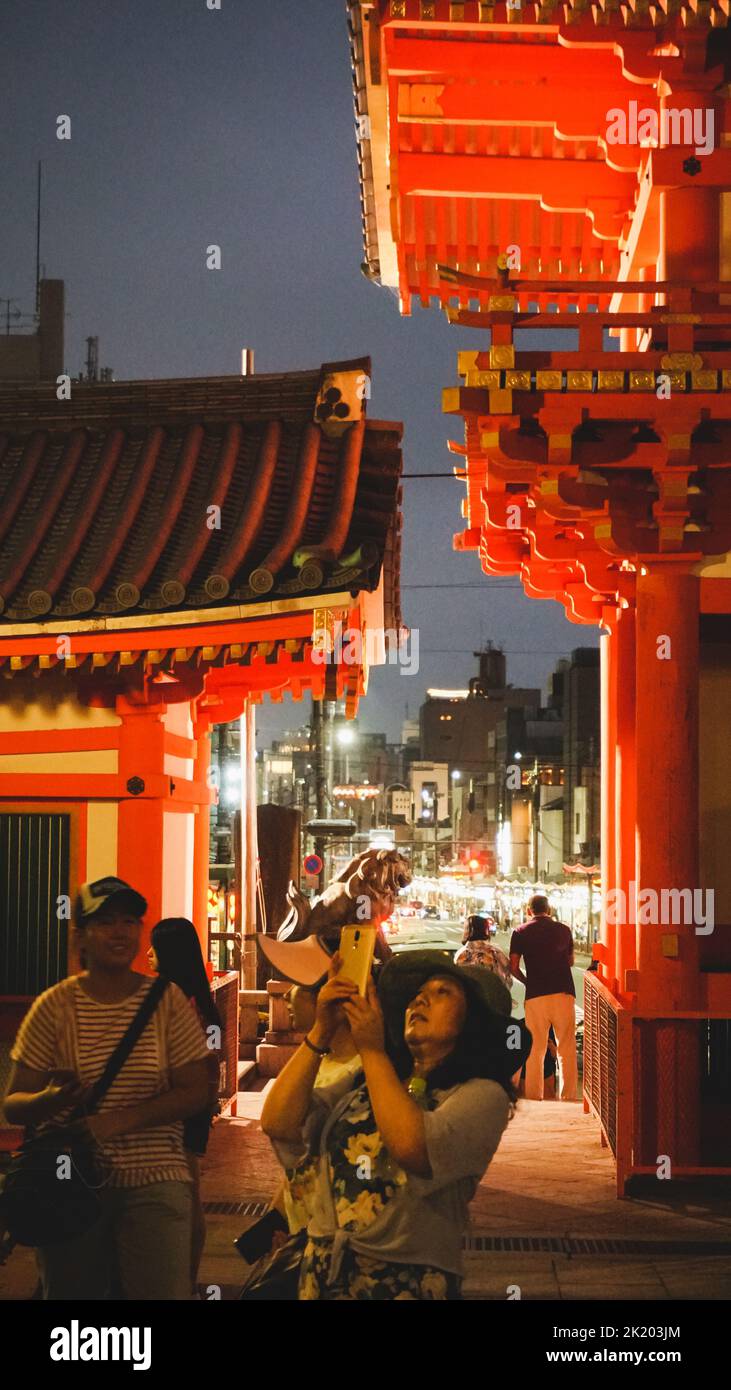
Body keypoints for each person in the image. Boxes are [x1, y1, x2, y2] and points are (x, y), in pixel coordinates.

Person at [261, 949, 530, 1300]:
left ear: (471, 1020)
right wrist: (321, 1030)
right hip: (323, 1275)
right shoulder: (368, 1080)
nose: (420, 998)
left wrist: (372, 1051)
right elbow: (279, 1122)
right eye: (418, 993)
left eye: (442, 992)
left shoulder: (482, 1095)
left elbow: (412, 1148)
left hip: (405, 1283)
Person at [3, 877, 211, 1300]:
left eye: (130, 921)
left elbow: (197, 1090)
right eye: (106, 922)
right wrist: (47, 1100)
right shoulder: (54, 1007)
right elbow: (13, 1103)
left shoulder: (167, 1002)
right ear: (80, 935)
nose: (120, 932)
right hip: (71, 1182)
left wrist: (119, 1121)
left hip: (156, 1179)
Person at [148, 917, 222, 1294]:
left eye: (154, 947)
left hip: (175, 1109)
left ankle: (180, 1283)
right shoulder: (200, 996)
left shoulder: (169, 997)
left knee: (182, 1202)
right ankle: (186, 1281)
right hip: (197, 1108)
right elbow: (214, 1054)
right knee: (190, 1198)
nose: (147, 954)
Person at [509, 893, 578, 1102]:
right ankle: (568, 1096)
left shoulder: (519, 932)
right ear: (549, 910)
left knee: (536, 1049)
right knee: (566, 1046)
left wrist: (528, 981)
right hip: (563, 993)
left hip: (536, 995)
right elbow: (571, 961)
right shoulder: (564, 930)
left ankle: (534, 1096)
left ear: (529, 911)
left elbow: (513, 967)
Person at [455, 915, 512, 989]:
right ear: (485, 930)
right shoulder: (495, 952)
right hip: (492, 997)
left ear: (467, 931)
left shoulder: (461, 955)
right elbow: (508, 977)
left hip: (468, 998)